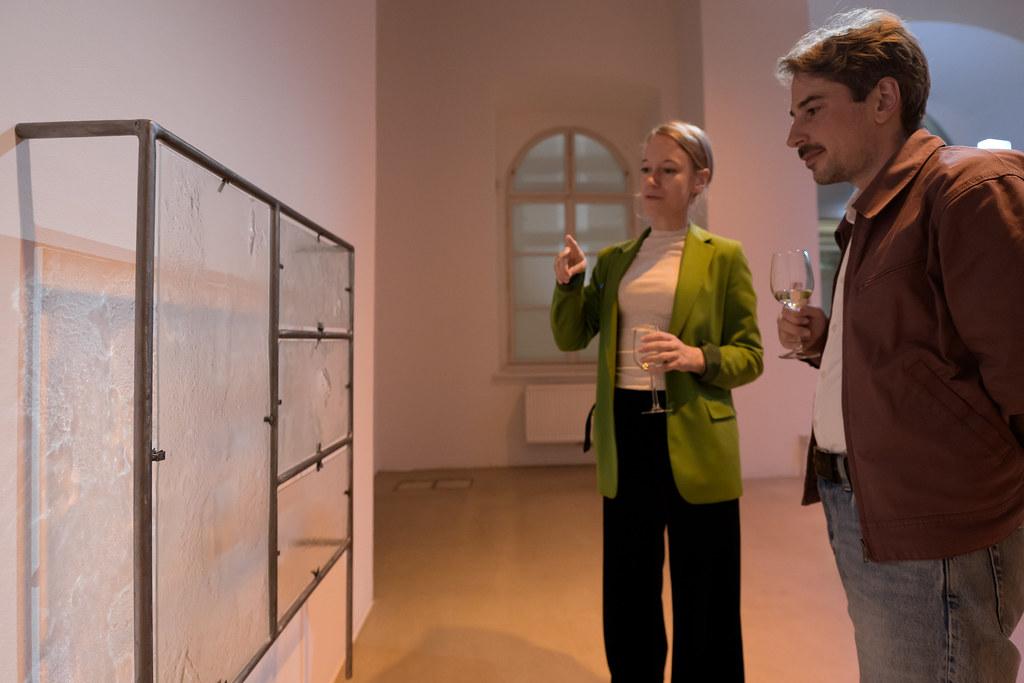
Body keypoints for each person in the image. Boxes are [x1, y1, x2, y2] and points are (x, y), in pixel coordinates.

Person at [776, 9, 1024, 681]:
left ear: (883, 98)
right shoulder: (874, 210)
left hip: (936, 522)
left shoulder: (967, 189)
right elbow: (922, 351)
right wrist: (826, 344)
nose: (793, 134)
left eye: (812, 109)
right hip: (867, 505)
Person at [550, 121, 763, 682]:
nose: (651, 180)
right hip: (627, 430)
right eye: (646, 168)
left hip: (696, 430)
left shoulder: (724, 257)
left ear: (699, 180)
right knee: (628, 587)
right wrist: (569, 285)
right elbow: (572, 336)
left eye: (668, 170)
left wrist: (696, 357)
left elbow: (750, 356)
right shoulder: (616, 260)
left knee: (706, 591)